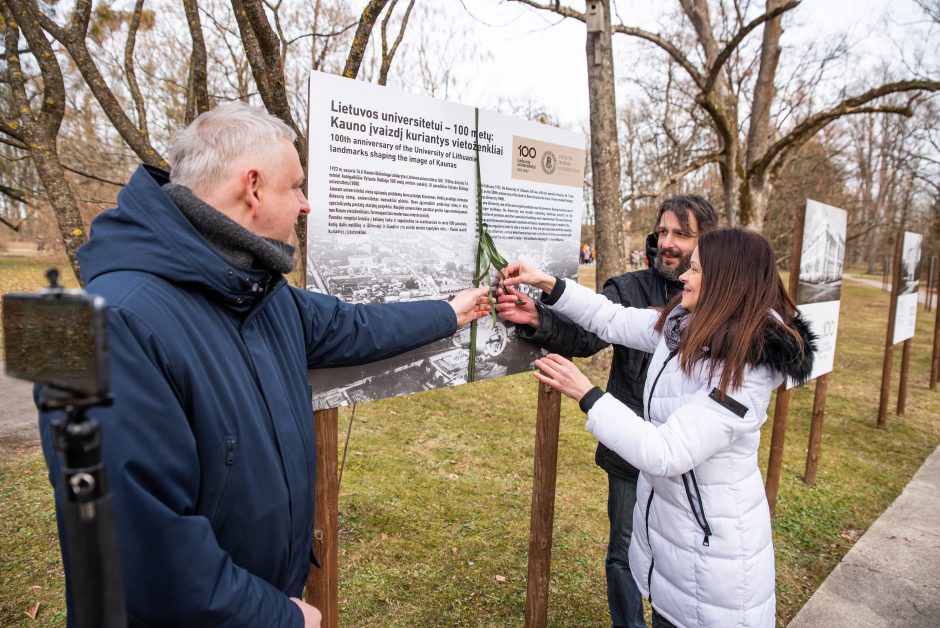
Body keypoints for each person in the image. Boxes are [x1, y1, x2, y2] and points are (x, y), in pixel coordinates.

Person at [37, 102, 490, 627]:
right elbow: (138, 556)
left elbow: (356, 327)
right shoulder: (101, 327)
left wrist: (449, 313)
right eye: (295, 186)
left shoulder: (257, 294)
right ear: (252, 187)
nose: (306, 204)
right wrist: (279, 617)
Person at [499, 227, 816, 628]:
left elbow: (666, 452)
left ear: (727, 282)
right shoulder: (686, 327)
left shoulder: (746, 369)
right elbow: (610, 318)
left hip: (717, 572)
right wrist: (545, 281)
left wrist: (587, 393)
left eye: (696, 269)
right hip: (678, 548)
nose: (683, 276)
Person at [497, 196, 718, 628]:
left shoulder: (724, 327)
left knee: (683, 559)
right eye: (663, 232)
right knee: (625, 549)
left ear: (709, 244)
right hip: (627, 447)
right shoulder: (634, 290)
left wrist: (587, 393)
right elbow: (596, 327)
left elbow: (674, 449)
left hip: (692, 468)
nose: (667, 244)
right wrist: (539, 313)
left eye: (681, 235)